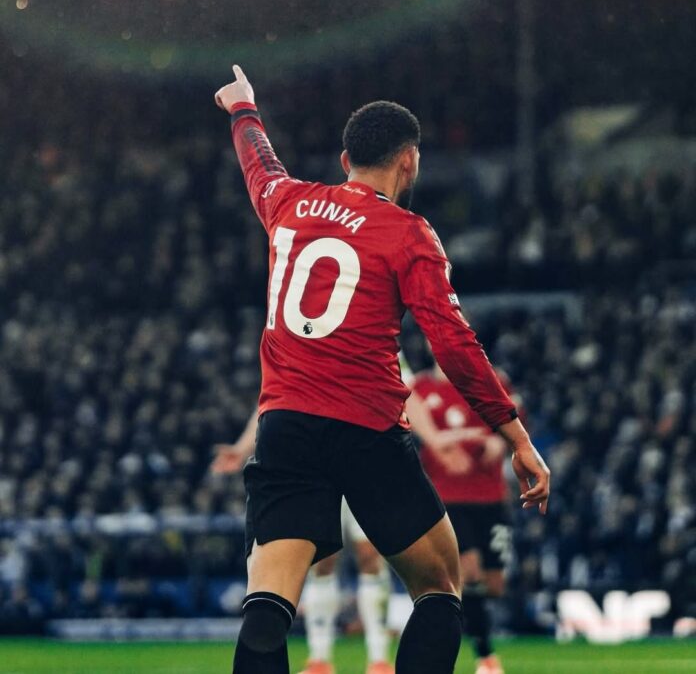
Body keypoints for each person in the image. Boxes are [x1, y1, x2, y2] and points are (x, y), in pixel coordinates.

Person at [213, 66, 550, 674]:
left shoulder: (289, 204)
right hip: (367, 431)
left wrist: (244, 111)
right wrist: (516, 436)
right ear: (410, 161)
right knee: (440, 587)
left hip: (286, 428)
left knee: (268, 603)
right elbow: (453, 343)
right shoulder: (409, 234)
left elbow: (260, 167)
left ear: (346, 160)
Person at [213, 414, 396, 674]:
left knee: (371, 557)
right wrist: (243, 447)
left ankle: (379, 659)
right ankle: (319, 659)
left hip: (365, 462)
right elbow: (272, 402)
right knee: (322, 560)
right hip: (319, 467)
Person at [408, 361, 521, 674]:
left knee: (494, 584)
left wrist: (500, 441)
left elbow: (514, 421)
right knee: (469, 572)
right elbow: (408, 428)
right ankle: (486, 656)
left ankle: (461, 632)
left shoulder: (491, 380)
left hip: (491, 496)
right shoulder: (421, 389)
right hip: (447, 498)